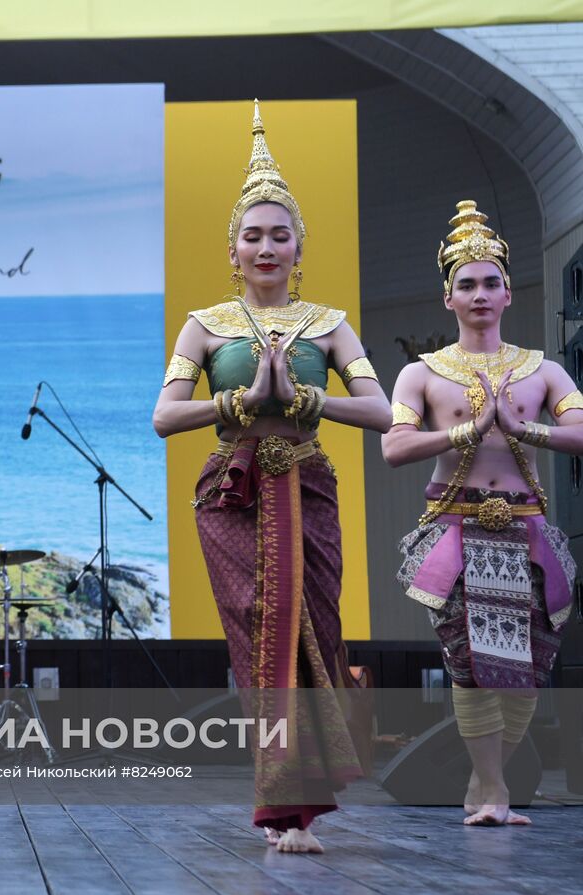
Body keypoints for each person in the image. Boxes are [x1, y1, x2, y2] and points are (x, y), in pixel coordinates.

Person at [153, 102, 390, 853]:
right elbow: (164, 416)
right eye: (252, 235)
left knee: (314, 626)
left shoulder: (328, 322)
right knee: (260, 628)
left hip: (308, 482)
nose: (265, 246)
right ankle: (281, 802)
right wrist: (241, 401)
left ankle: (303, 800)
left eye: (278, 234)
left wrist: (305, 398)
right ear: (232, 248)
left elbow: (383, 413)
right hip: (235, 487)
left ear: (298, 246)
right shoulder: (205, 323)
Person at [384, 200, 581, 826]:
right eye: (465, 283)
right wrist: (469, 431)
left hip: (526, 530)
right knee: (471, 663)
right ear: (448, 297)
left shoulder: (543, 369)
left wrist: (526, 430)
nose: (479, 293)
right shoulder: (423, 372)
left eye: (490, 281)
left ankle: (483, 784)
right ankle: (493, 790)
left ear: (508, 293)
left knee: (528, 666)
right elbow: (394, 448)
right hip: (457, 528)